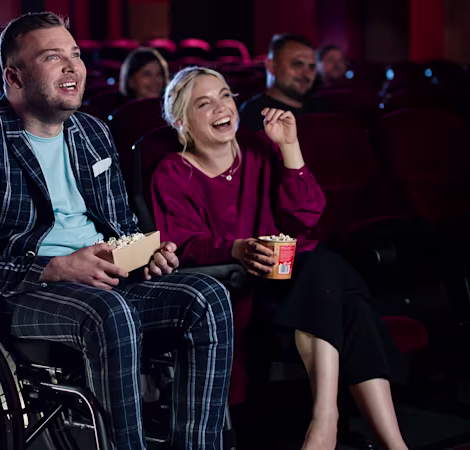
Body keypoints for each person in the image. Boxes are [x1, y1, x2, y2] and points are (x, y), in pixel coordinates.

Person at [0, 12, 234, 450]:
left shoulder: (94, 132)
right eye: (53, 57)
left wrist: (145, 254)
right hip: (19, 294)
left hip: (105, 283)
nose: (72, 66)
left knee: (209, 297)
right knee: (108, 313)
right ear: (14, 76)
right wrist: (53, 268)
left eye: (74, 55)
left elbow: (123, 229)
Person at [153, 66, 409, 450]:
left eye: (225, 95)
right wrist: (235, 249)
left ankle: (330, 423)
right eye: (204, 103)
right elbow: (182, 244)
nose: (221, 107)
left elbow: (306, 216)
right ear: (181, 120)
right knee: (341, 289)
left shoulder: (260, 147)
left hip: (295, 283)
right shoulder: (172, 172)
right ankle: (357, 433)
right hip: (240, 294)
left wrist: (290, 146)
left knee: (330, 278)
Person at [239, 34, 320, 131]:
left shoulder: (321, 108)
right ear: (272, 66)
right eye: (297, 64)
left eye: (311, 67)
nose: (307, 74)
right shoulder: (253, 114)